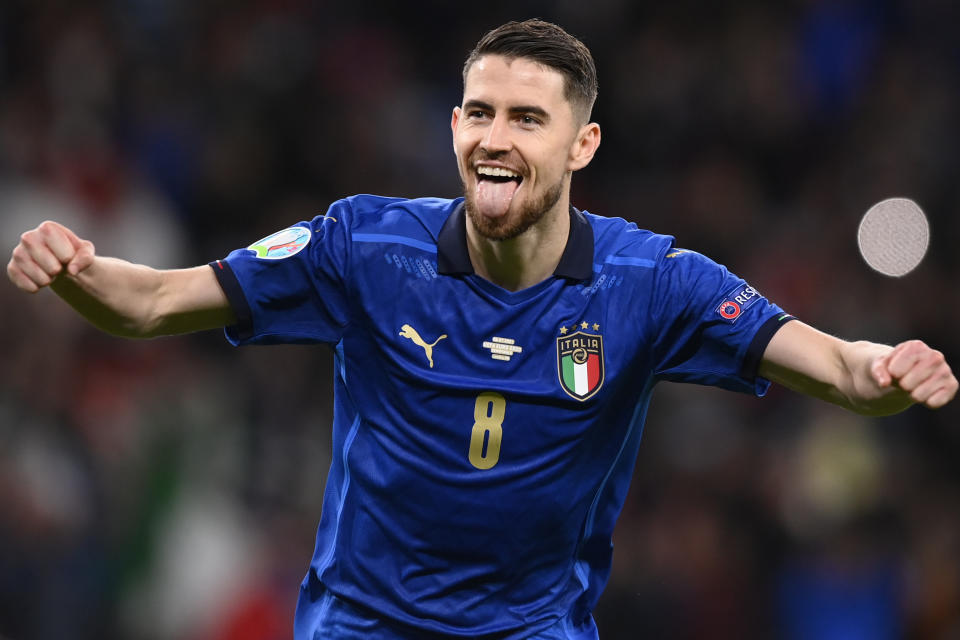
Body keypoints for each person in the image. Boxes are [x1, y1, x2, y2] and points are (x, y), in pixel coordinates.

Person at [7, 18, 956, 640]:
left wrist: (886, 372)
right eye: (480, 112)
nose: (495, 138)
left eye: (528, 119)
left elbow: (831, 363)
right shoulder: (364, 245)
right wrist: (80, 273)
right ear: (454, 122)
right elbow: (157, 302)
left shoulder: (651, 281)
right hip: (362, 626)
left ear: (581, 144)